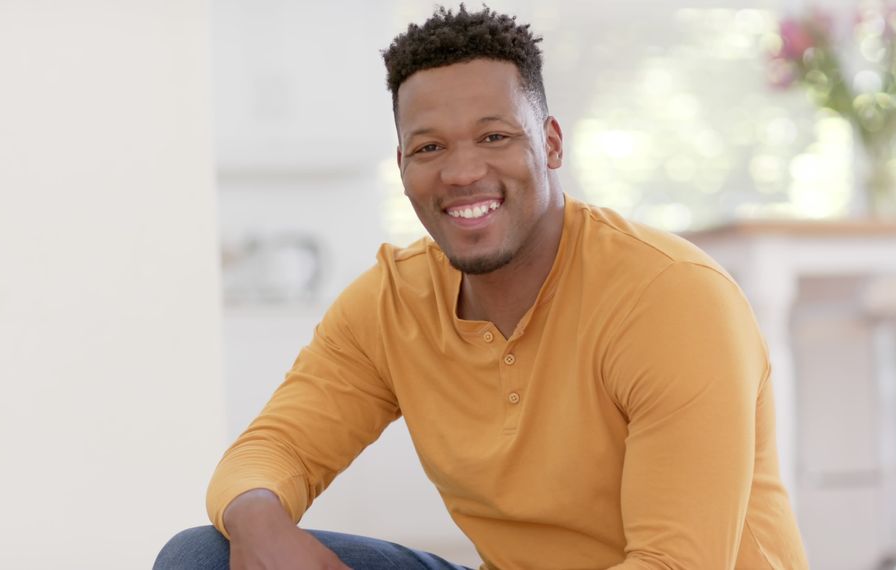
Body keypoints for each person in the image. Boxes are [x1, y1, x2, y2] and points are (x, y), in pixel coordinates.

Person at [155, 6, 809, 569]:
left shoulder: (671, 299)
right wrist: (259, 521)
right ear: (403, 167)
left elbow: (675, 563)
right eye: (430, 148)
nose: (463, 171)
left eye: (495, 137)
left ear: (550, 143)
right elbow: (270, 451)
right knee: (202, 557)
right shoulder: (391, 302)